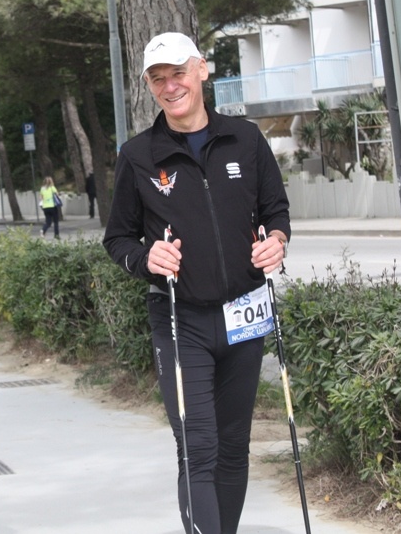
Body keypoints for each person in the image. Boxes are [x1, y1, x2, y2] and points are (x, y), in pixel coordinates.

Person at [102, 32, 290, 534]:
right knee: (198, 446)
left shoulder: (245, 139)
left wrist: (276, 241)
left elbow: (275, 210)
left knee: (233, 447)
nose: (170, 86)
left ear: (202, 70)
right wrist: (146, 258)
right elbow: (117, 238)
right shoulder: (139, 155)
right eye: (158, 79)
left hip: (244, 315)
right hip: (179, 320)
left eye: (178, 73)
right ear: (149, 86)